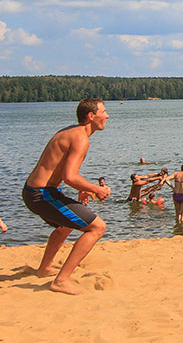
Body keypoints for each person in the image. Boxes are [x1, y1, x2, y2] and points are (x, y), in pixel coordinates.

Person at [21, 98, 112, 294]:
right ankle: (60, 280)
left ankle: (44, 269)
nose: (107, 116)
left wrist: (83, 187)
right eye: (103, 112)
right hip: (41, 194)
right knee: (97, 227)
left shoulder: (70, 131)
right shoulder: (81, 138)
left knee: (65, 225)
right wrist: (96, 189)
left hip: (35, 191)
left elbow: (59, 169)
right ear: (91, 116)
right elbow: (70, 176)